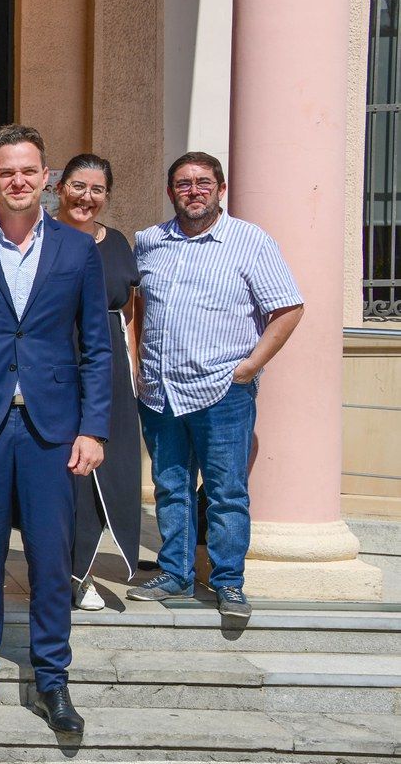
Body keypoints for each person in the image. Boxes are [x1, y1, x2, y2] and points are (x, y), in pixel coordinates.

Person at [0, 125, 111, 734]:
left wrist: (94, 429)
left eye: (29, 171)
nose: (18, 181)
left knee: (50, 563)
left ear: (45, 178)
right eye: (6, 172)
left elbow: (96, 349)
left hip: (52, 429)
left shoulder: (76, 251)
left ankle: (52, 681)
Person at [126, 152, 304, 619]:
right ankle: (176, 573)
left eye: (204, 182)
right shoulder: (149, 242)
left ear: (221, 189)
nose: (193, 190)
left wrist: (248, 369)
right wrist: (139, 363)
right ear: (171, 193)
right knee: (170, 485)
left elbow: (287, 309)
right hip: (160, 390)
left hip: (223, 390)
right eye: (183, 183)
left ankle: (228, 582)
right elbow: (138, 306)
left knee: (226, 492)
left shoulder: (250, 241)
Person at [52, 154, 142, 610]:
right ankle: (72, 574)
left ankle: (82, 567)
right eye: (78, 186)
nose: (87, 197)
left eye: (98, 189)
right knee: (69, 472)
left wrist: (135, 366)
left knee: (110, 467)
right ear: (59, 187)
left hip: (108, 365)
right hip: (57, 362)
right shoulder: (39, 235)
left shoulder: (120, 244)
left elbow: (129, 310)